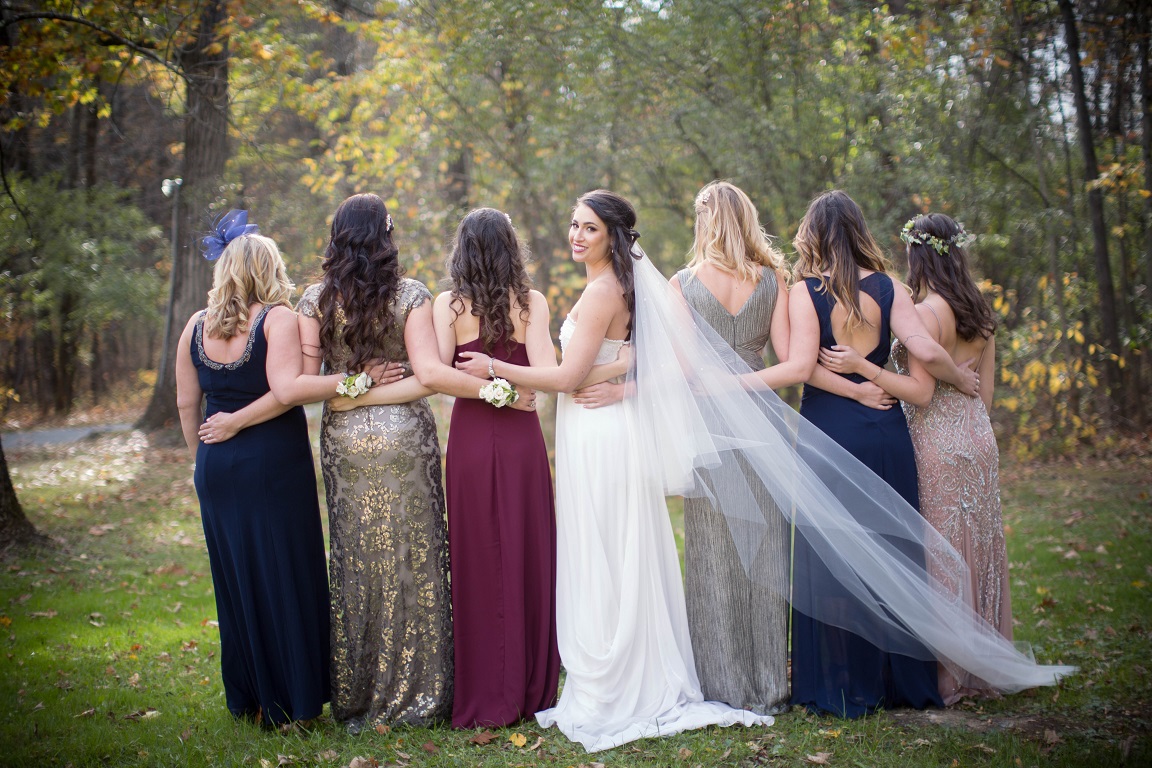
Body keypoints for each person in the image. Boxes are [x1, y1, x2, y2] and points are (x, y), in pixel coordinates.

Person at [457, 190, 774, 752]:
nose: (576, 236)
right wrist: (623, 365)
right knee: (613, 543)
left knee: (606, 543)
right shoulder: (619, 285)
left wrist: (494, 365)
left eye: (590, 229)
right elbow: (636, 355)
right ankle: (624, 667)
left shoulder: (604, 291)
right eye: (574, 225)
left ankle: (616, 678)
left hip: (600, 432)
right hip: (597, 426)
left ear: (613, 236)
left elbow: (565, 378)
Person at [296, 193, 492, 731]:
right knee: (413, 557)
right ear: (385, 234)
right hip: (405, 433)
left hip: (345, 438)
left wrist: (350, 390)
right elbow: (428, 377)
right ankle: (424, 693)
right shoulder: (410, 294)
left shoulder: (313, 301)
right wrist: (370, 384)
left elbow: (306, 386)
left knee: (357, 558)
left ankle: (359, 696)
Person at [819, 212, 1009, 703]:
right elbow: (984, 395)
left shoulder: (925, 313)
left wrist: (864, 369)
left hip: (934, 438)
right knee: (978, 547)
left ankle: (947, 672)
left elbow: (921, 390)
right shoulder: (979, 311)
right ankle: (985, 662)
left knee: (938, 552)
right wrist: (961, 391)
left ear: (917, 255)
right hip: (977, 437)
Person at [175, 214, 350, 727]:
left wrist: (204, 458)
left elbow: (186, 404)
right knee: (285, 573)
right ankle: (294, 701)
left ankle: (249, 698)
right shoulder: (276, 319)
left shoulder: (195, 325)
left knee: (236, 579)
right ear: (268, 270)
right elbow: (286, 391)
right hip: (272, 462)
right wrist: (353, 379)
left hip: (215, 467)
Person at [431, 207, 561, 728]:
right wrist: (506, 390)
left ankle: (489, 683)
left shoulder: (449, 305)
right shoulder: (530, 303)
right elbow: (544, 374)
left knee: (479, 552)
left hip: (472, 438)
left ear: (462, 250)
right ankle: (526, 683)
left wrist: (489, 377)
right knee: (523, 547)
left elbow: (440, 375)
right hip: (517, 435)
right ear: (512, 248)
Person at [671, 182, 792, 714]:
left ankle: (722, 683)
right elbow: (788, 361)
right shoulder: (772, 279)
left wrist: (716, 382)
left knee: (713, 551)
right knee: (767, 548)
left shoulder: (681, 285)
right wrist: (746, 377)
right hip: (764, 419)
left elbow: (685, 370)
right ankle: (770, 682)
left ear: (705, 221)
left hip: (708, 426)